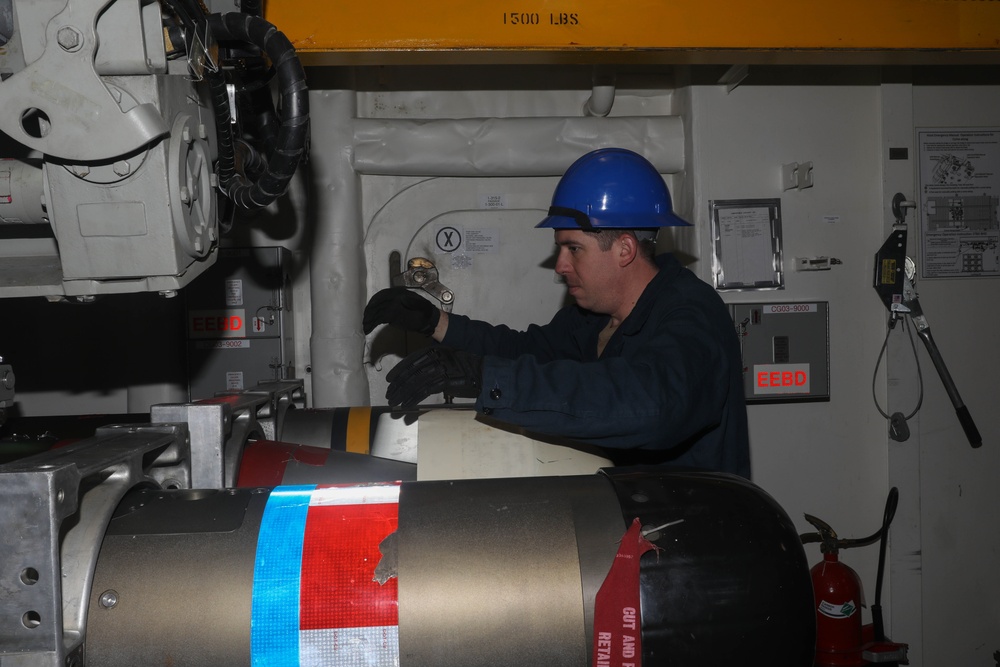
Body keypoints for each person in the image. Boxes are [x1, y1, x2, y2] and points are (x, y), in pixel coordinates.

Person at [363, 148, 750, 478]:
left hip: (693, 540)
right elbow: (528, 351)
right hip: (625, 522)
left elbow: (649, 403)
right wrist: (435, 322)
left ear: (624, 250)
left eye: (573, 248)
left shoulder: (692, 314)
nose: (560, 266)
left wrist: (485, 377)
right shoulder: (594, 316)